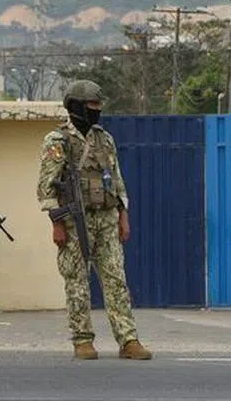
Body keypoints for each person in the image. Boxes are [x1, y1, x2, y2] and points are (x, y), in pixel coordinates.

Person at [37, 79, 152, 361]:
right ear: (76, 107)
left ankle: (128, 339)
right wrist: (57, 224)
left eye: (99, 106)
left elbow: (117, 179)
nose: (97, 111)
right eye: (91, 106)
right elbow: (47, 186)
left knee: (116, 279)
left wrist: (123, 215)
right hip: (75, 222)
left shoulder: (105, 139)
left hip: (106, 218)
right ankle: (82, 339)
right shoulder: (58, 140)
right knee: (76, 281)